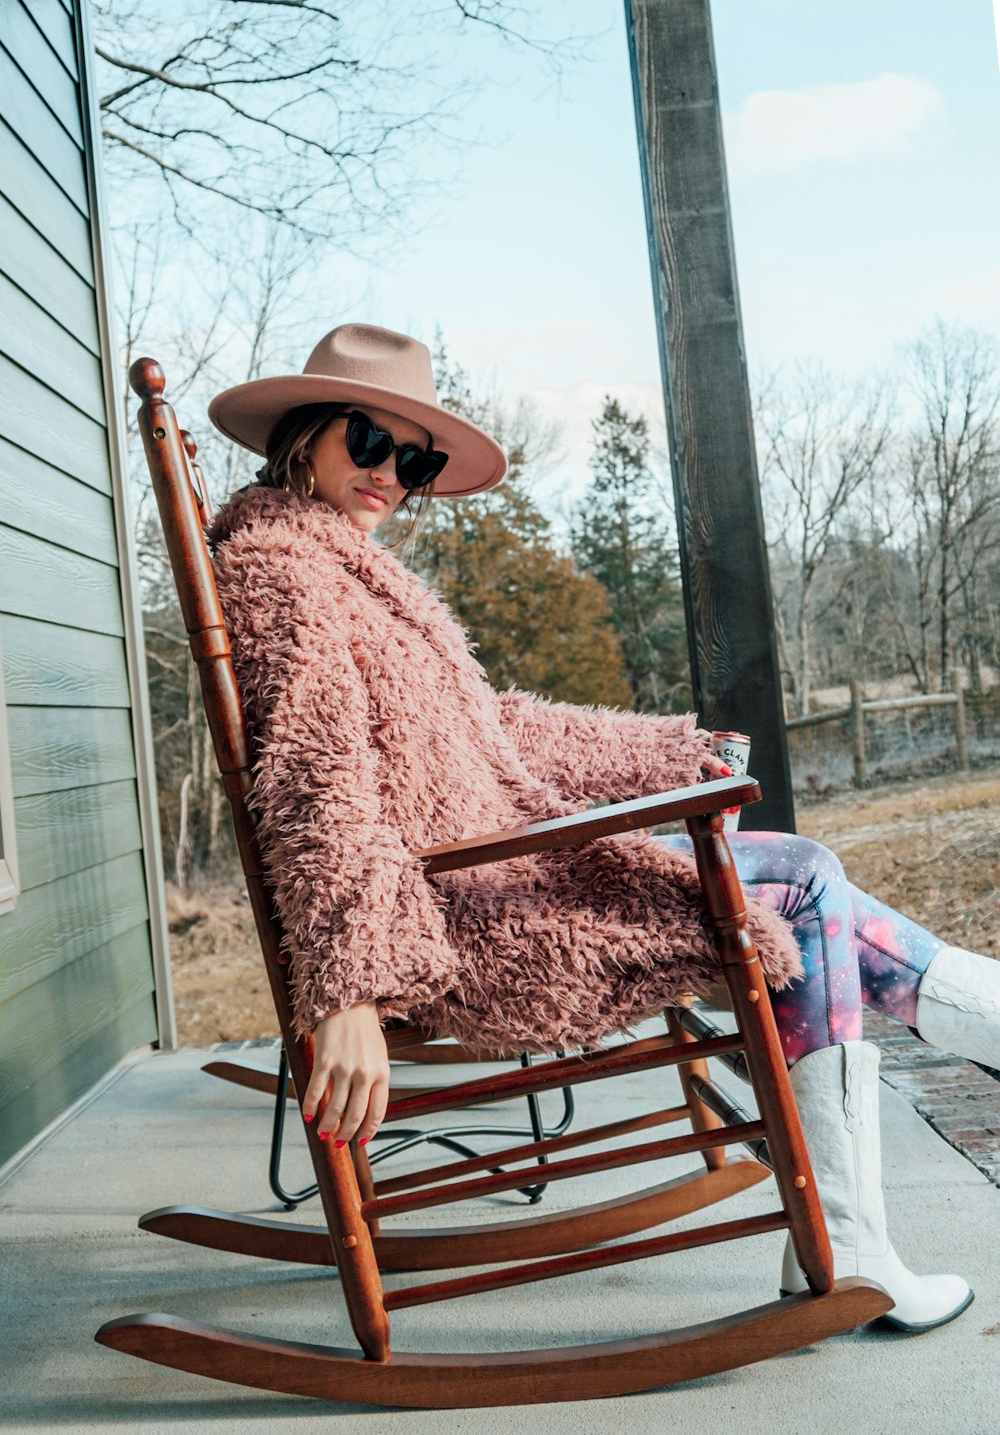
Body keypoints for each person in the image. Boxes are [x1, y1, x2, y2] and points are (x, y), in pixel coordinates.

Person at [208, 323, 998, 1334]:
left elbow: (499, 732)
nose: (390, 477)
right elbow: (319, 787)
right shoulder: (285, 571)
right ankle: (858, 1226)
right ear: (305, 434)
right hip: (466, 913)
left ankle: (884, 1176)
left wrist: (671, 753)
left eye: (412, 459)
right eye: (369, 442)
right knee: (801, 884)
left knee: (807, 884)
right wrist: (348, 983)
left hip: (493, 870)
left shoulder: (349, 572)